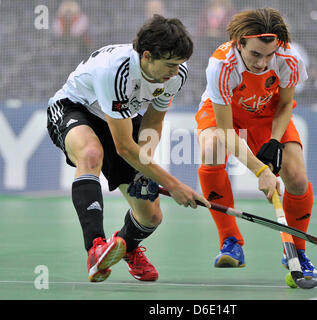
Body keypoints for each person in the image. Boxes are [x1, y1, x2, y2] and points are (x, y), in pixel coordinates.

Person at [47, 14, 210, 283]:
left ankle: (125, 246)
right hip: (75, 108)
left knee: (152, 216)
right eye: (169, 64)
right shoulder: (117, 71)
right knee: (90, 154)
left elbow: (153, 122)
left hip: (121, 117)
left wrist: (145, 167)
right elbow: (124, 147)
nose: (174, 71)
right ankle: (96, 248)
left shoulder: (175, 74)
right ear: (147, 56)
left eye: (179, 64)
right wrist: (175, 185)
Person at [195, 8, 317, 282]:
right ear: (240, 43)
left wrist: (274, 141)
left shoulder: (289, 58)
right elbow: (227, 131)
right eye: (255, 54)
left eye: (269, 55)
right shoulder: (221, 65)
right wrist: (261, 171)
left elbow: (285, 104)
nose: (263, 63)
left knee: (297, 178)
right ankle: (230, 242)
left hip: (268, 113)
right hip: (227, 112)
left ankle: (296, 253)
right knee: (211, 147)